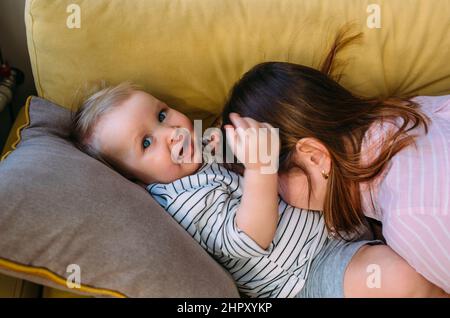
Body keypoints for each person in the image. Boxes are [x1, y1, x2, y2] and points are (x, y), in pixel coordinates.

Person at [70, 82, 446, 297]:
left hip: (343, 232)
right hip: (303, 276)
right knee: (398, 279)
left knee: (413, 249)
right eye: (146, 143)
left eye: (163, 114)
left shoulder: (203, 147)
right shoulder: (180, 200)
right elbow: (246, 239)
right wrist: (261, 167)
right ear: (136, 180)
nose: (171, 133)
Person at [221, 36, 450, 296]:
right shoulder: (408, 113)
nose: (274, 197)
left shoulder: (412, 218)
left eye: (272, 179)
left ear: (315, 156)